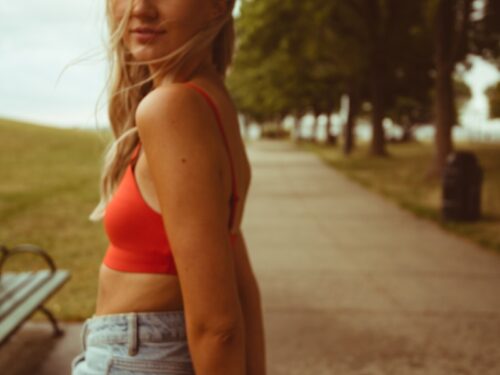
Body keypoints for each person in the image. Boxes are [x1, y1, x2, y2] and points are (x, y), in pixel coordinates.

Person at [70, 0, 266, 374]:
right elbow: (239, 275)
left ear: (217, 6)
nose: (140, 8)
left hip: (139, 357)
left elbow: (218, 324)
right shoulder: (210, 97)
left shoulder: (172, 107)